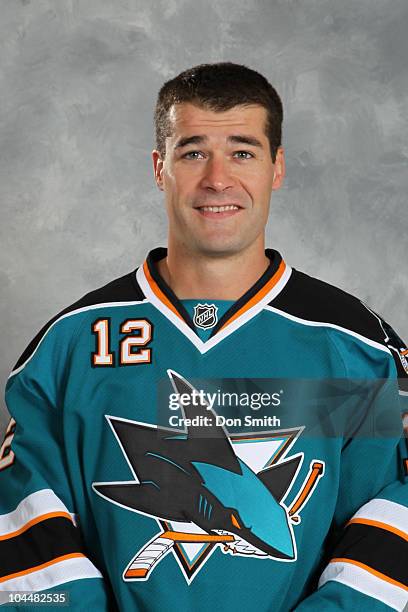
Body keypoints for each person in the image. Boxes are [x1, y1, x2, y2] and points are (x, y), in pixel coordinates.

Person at [0, 62, 407, 611]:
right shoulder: (71, 344)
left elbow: (392, 506)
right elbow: (24, 518)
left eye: (242, 151)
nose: (218, 179)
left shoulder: (353, 347)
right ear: (159, 167)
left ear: (276, 168)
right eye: (193, 152)